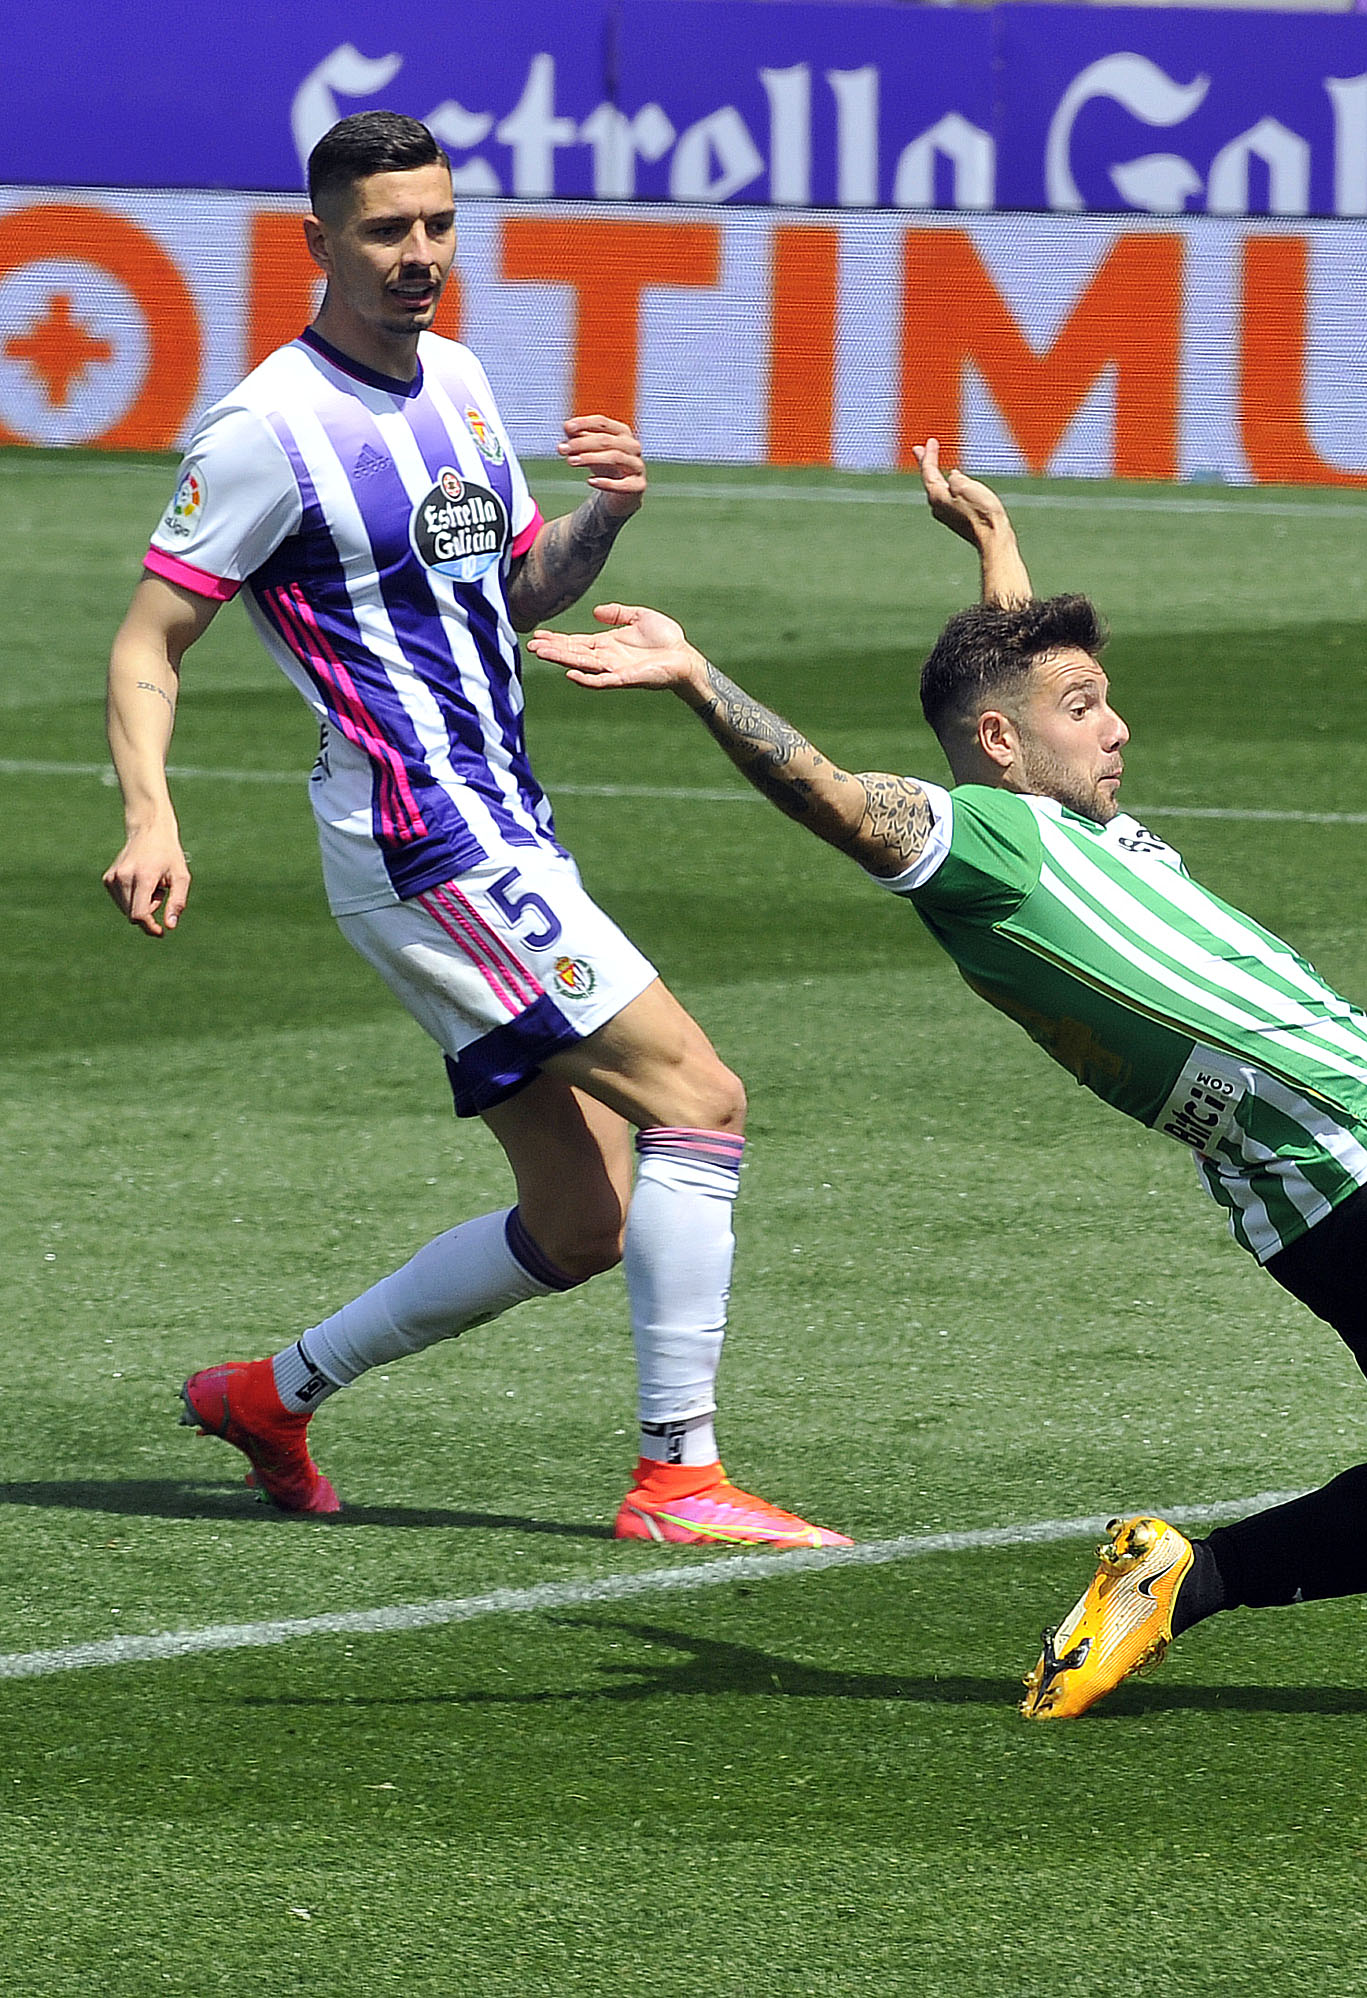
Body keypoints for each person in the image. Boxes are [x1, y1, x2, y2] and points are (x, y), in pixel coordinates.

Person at [521, 450, 1367, 1717]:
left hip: (1318, 1222)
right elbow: (840, 799)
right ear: (1003, 744)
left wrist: (994, 550)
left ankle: (1185, 1580)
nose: (1117, 723)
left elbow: (1002, 691)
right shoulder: (991, 841)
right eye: (1085, 705)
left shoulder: (1067, 826)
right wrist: (699, 678)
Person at [105, 112, 842, 1549]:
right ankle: (676, 1475)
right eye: (387, 230)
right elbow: (150, 640)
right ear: (317, 243)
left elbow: (506, 590)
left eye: (437, 223)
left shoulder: (458, 379)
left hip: (499, 823)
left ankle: (274, 1392)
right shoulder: (267, 431)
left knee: (581, 1222)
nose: (421, 255)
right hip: (424, 838)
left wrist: (605, 518)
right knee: (700, 1097)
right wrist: (153, 813)